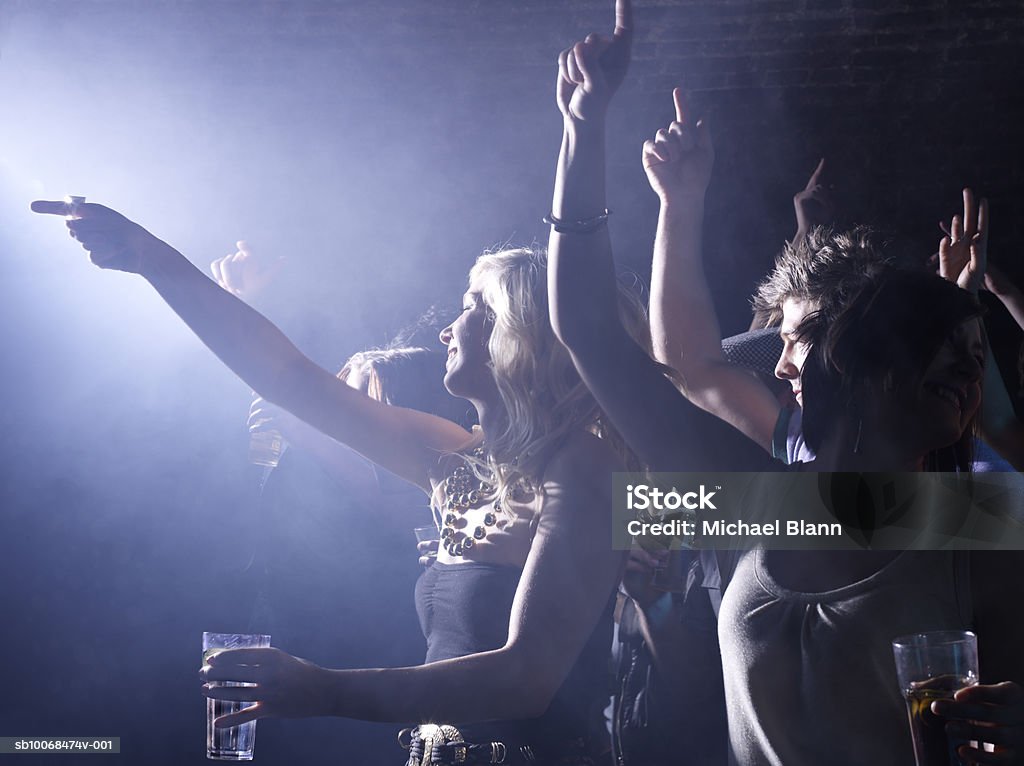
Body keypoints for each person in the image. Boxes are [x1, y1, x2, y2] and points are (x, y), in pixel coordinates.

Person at [543, 6, 1024, 764]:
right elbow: (591, 334)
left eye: (970, 359)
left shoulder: (983, 530)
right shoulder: (758, 494)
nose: (776, 364)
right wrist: (584, 129)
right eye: (946, 353)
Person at [32, 189, 644, 763]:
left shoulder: (584, 467)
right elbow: (287, 378)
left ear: (522, 332)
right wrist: (152, 259)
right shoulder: (452, 459)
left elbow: (527, 679)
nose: (446, 330)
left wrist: (326, 691)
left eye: (470, 310)